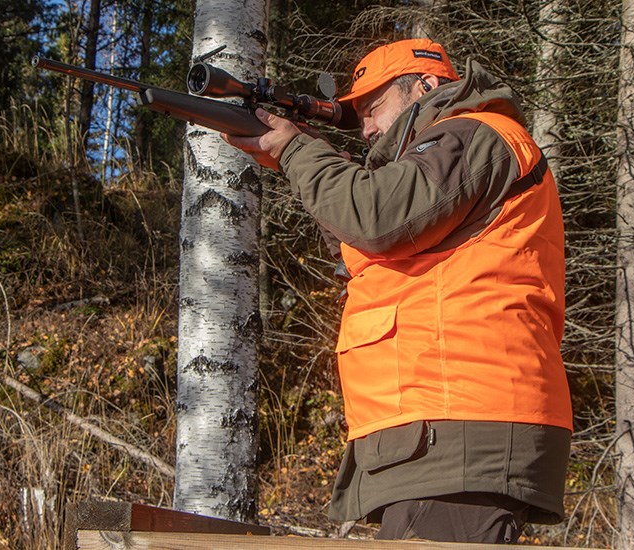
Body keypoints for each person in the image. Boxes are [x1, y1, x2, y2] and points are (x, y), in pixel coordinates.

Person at [223, 38, 573, 544]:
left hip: (459, 427)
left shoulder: (470, 134)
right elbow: (367, 240)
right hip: (443, 427)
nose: (366, 128)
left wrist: (298, 148)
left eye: (373, 107)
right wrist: (295, 161)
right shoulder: (453, 154)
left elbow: (375, 217)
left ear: (427, 86)